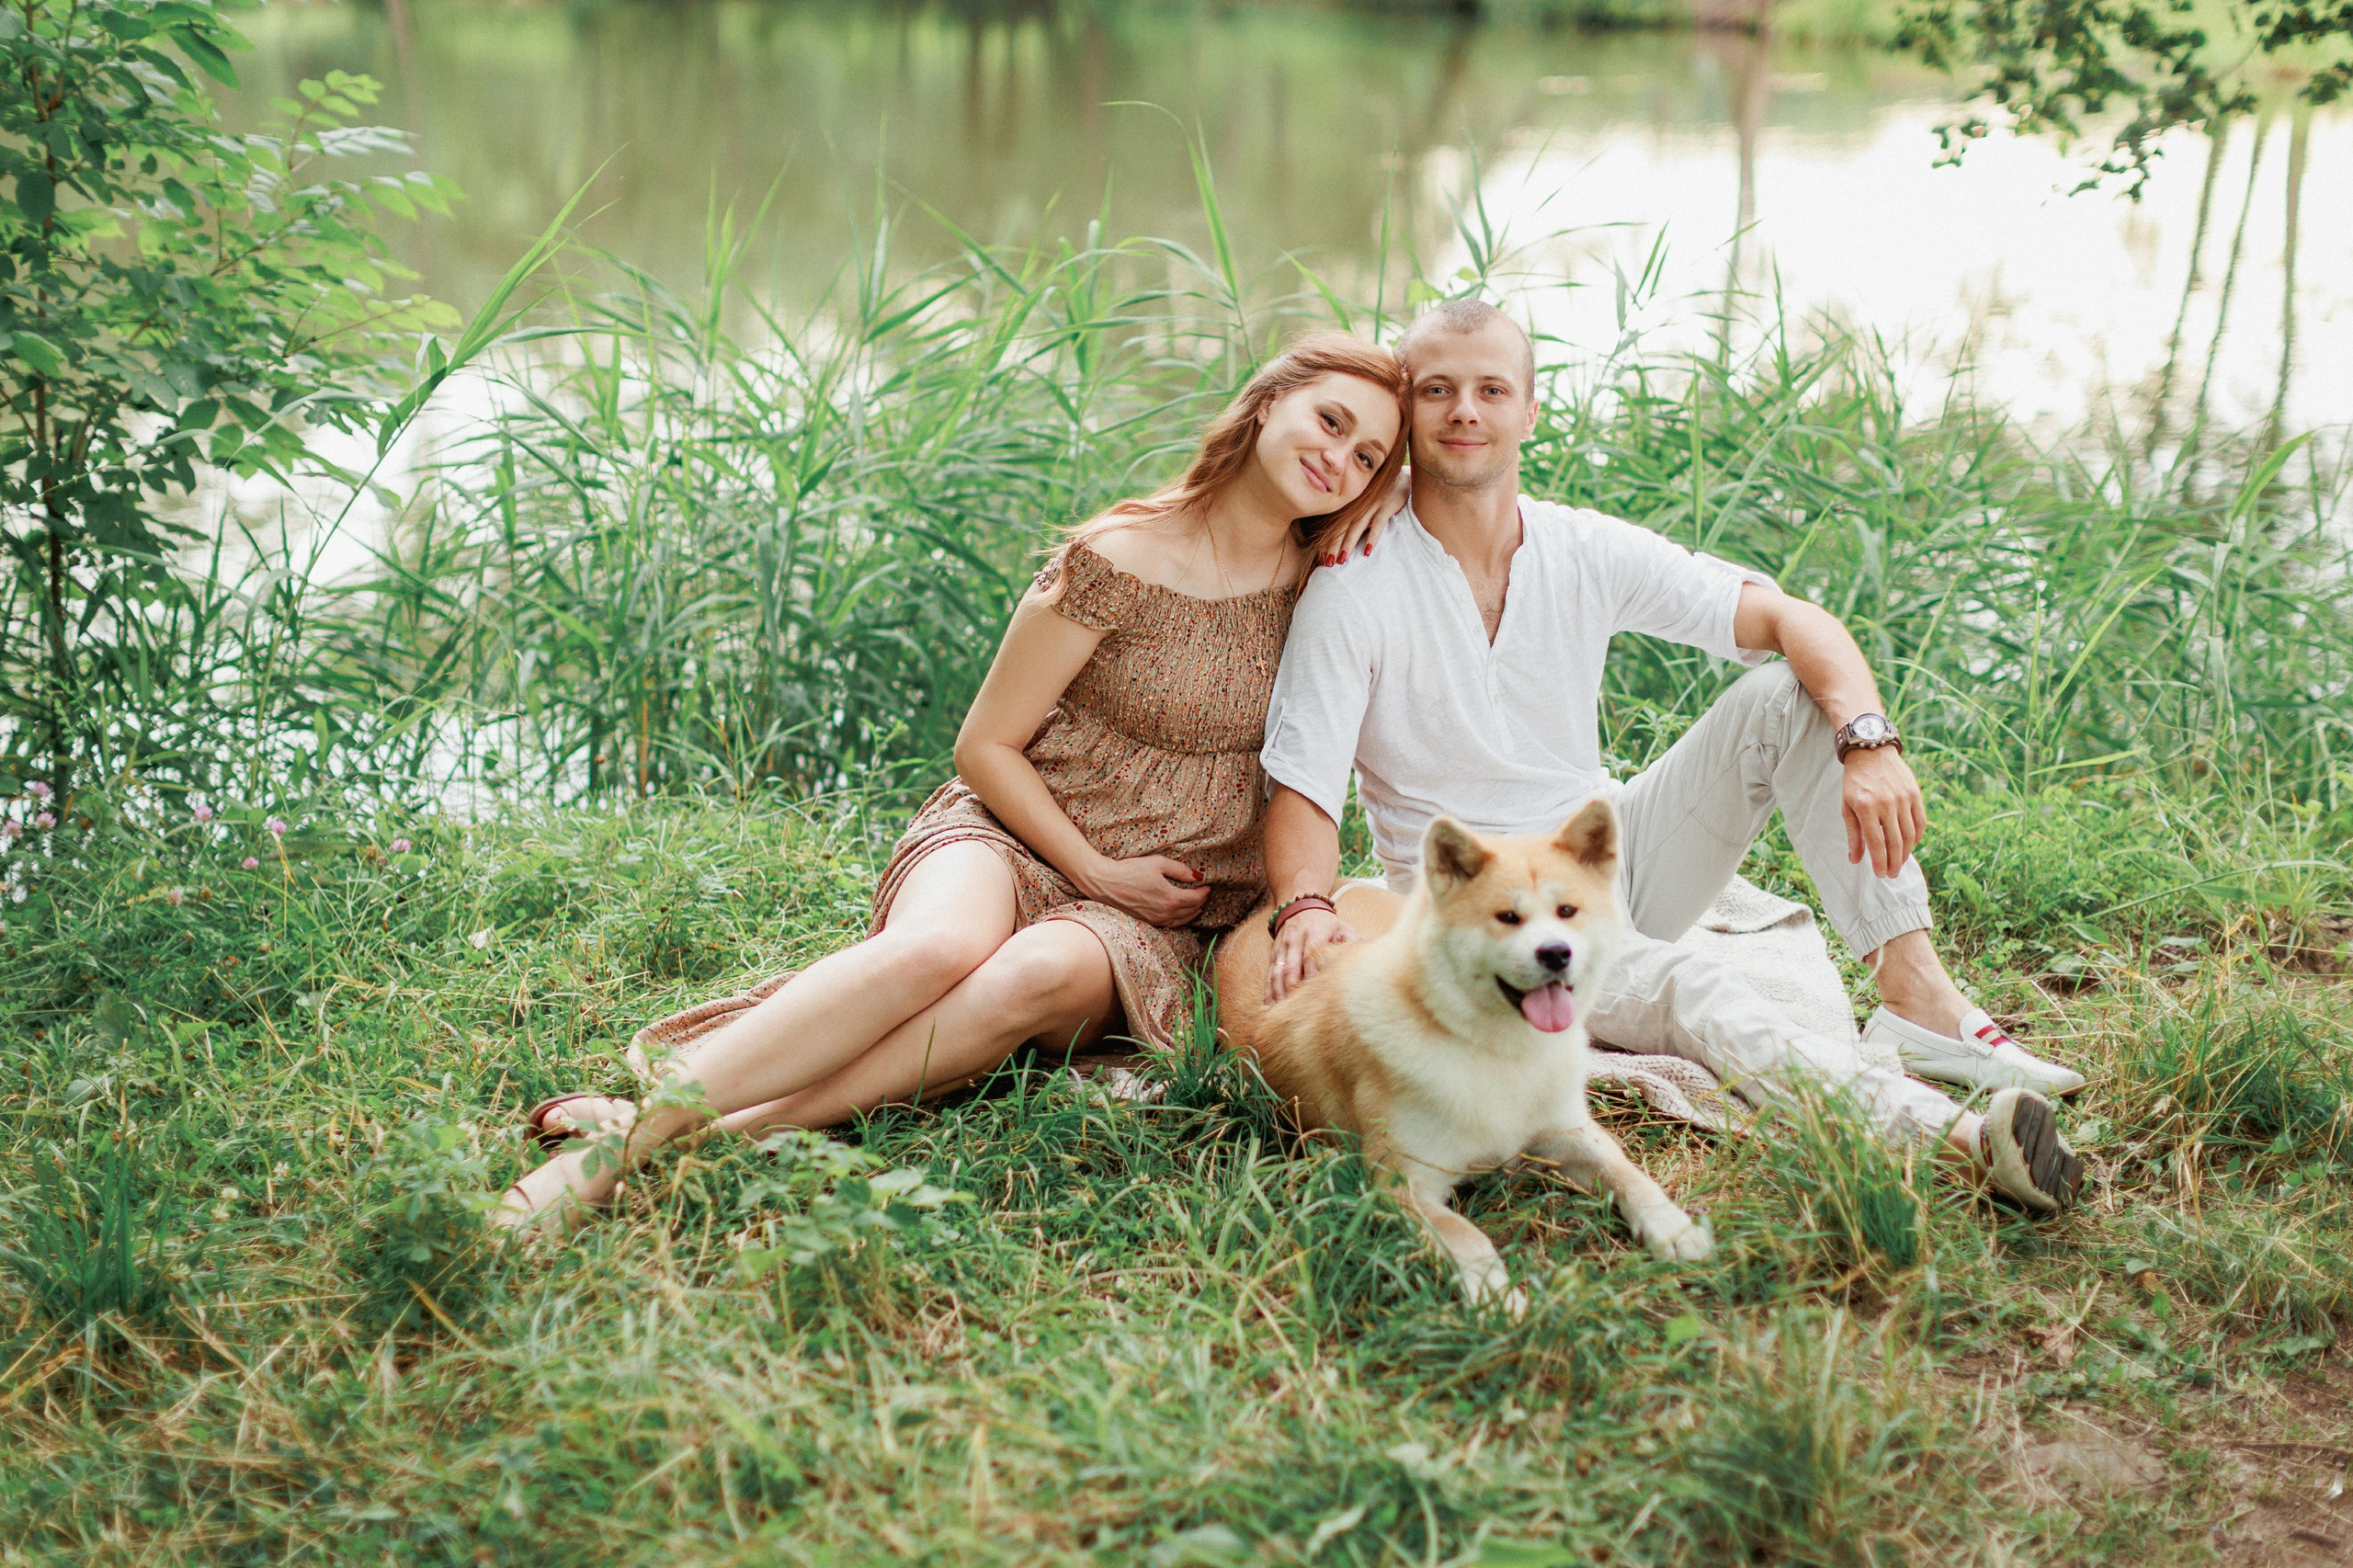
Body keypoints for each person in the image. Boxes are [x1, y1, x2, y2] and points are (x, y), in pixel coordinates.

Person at [495, 334, 1408, 1233]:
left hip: (1154, 911)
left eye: (1366, 454)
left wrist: (1401, 487)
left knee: (1031, 972)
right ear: (1265, 404)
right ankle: (609, 1158)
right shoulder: (1119, 555)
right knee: (935, 949)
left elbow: (1455, 508)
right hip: (1017, 830)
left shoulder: (1333, 580)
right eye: (1327, 420)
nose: (1338, 456)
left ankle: (720, 1132)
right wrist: (1089, 864)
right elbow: (986, 746)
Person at [1258, 300, 2087, 1214]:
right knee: (1694, 982)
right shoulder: (1354, 585)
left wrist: (1868, 736)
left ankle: (1917, 998)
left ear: (1530, 411)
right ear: (1406, 412)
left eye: (1491, 389)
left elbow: (1785, 620)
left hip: (1608, 858)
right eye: (1437, 390)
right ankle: (1964, 1142)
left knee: (1785, 695)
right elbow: (1302, 788)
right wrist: (1303, 905)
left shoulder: (1579, 546)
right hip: (1483, 914)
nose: (1465, 410)